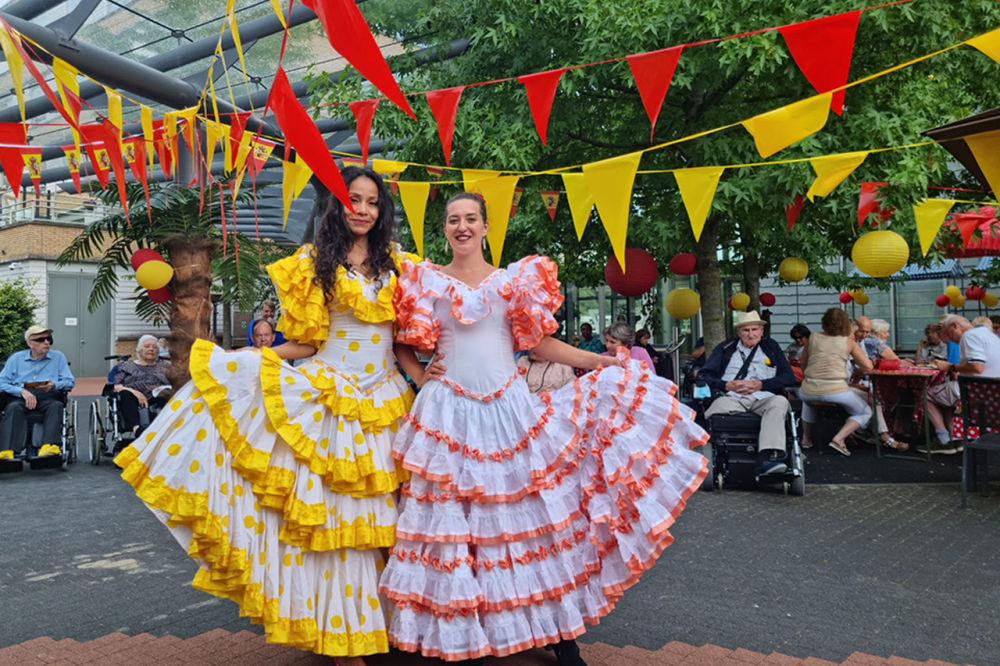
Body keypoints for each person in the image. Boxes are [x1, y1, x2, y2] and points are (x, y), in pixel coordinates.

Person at [113, 167, 436, 665]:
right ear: (337, 205)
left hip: (388, 400)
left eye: (372, 202)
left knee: (386, 521)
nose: (363, 209)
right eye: (354, 199)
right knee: (336, 523)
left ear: (382, 210)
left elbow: (404, 339)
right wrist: (252, 360)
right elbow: (308, 342)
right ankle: (342, 637)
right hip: (329, 399)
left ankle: (387, 627)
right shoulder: (312, 263)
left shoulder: (402, 265)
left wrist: (432, 378)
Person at [380, 192, 708, 665]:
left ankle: (558, 631)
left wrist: (597, 360)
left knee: (529, 520)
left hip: (509, 411)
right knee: (450, 526)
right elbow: (400, 340)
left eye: (471, 218)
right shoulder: (424, 280)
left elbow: (539, 344)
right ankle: (453, 631)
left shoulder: (514, 281)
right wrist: (417, 373)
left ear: (486, 226)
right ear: (445, 229)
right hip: (446, 412)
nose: (462, 226)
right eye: (453, 220)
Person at [698, 311, 797, 476]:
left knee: (780, 403)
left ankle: (768, 459)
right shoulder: (725, 348)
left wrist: (762, 384)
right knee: (714, 410)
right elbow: (704, 375)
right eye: (746, 330)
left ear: (761, 331)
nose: (751, 334)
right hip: (733, 397)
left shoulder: (771, 347)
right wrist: (726, 385)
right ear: (739, 332)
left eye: (754, 329)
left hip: (763, 397)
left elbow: (788, 378)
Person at [797, 308, 875, 455]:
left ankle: (806, 438)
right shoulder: (848, 342)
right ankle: (839, 438)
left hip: (808, 389)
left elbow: (803, 363)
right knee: (865, 412)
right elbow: (867, 366)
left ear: (824, 322)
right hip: (836, 391)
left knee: (808, 402)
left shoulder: (813, 337)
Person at [923, 314, 1000, 454]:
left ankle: (944, 438)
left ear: (955, 326)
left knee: (924, 393)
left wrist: (950, 366)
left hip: (979, 394)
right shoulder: (990, 335)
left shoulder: (969, 336)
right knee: (943, 393)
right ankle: (953, 437)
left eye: (947, 333)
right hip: (993, 395)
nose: (949, 339)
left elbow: (977, 367)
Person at [0, 325, 75, 459]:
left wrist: (54, 385)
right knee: (13, 407)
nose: (46, 342)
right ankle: (8, 451)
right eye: (40, 339)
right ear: (30, 343)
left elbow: (69, 381)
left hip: (48, 395)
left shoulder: (58, 357)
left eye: (48, 339)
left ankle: (49, 446)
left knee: (56, 406)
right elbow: (2, 382)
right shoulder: (16, 359)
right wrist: (21, 391)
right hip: (21, 396)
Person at [112, 335, 171, 441]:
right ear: (139, 350)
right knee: (125, 394)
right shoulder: (126, 366)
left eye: (154, 347)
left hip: (156, 396)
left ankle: (165, 430)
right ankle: (138, 430)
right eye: (147, 346)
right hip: (132, 397)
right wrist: (135, 392)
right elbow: (117, 386)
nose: (151, 349)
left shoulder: (164, 366)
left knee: (168, 396)